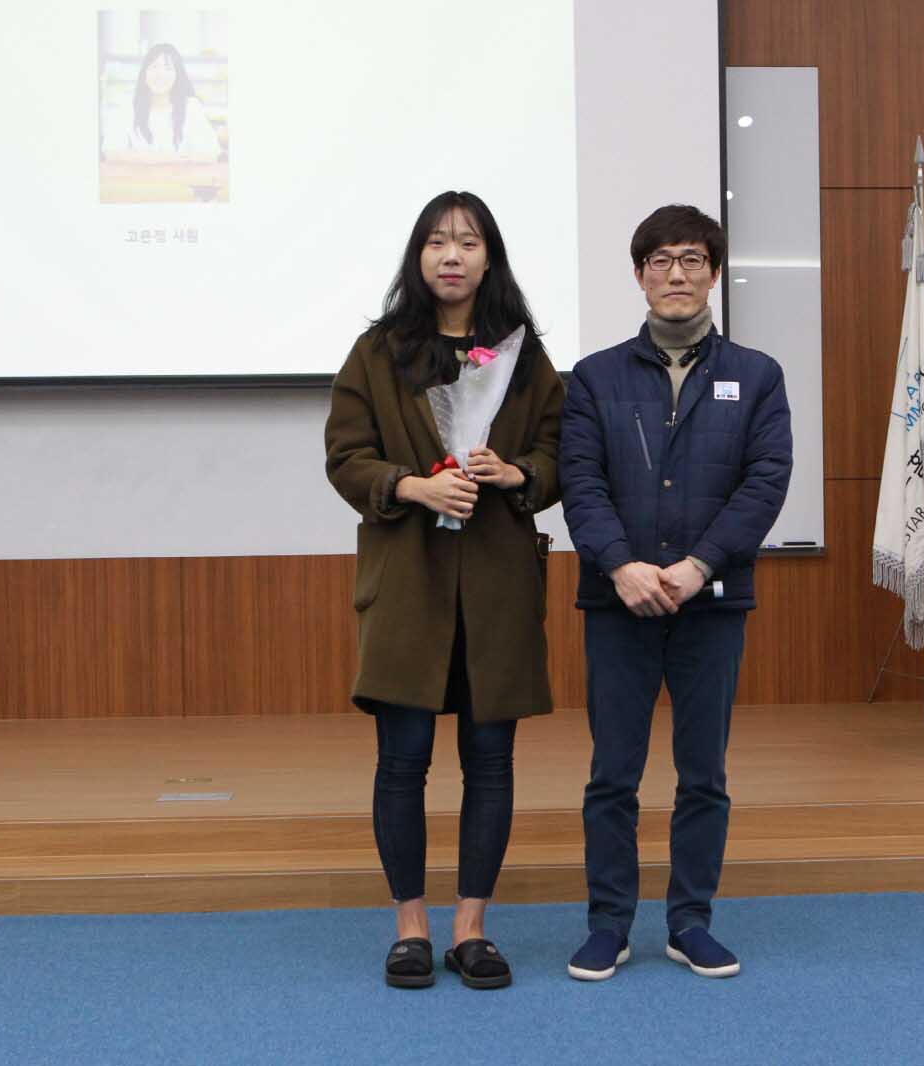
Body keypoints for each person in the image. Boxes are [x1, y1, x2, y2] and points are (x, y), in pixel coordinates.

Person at [324, 190, 563, 990]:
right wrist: (412, 486)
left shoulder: (522, 354)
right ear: (418, 256)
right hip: (408, 581)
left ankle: (471, 927)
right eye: (436, 241)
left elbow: (560, 451)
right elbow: (345, 457)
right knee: (403, 762)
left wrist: (517, 471)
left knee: (490, 762)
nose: (451, 255)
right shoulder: (378, 351)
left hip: (497, 582)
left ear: (490, 258)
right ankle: (410, 926)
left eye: (467, 241)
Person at [559, 204, 791, 982]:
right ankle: (608, 925)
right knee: (612, 776)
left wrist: (699, 566)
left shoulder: (757, 375)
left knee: (704, 776)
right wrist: (620, 565)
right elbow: (581, 482)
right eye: (660, 261)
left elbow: (765, 482)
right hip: (616, 604)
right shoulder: (595, 377)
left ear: (713, 273)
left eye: (692, 259)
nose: (676, 274)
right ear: (639, 276)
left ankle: (690, 921)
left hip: (711, 604)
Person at [102, 43, 220, 162]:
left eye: (168, 68)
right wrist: (170, 158)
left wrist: (149, 158)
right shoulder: (127, 106)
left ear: (178, 75)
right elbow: (111, 152)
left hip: (181, 175)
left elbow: (210, 153)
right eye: (154, 67)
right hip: (138, 175)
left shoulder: (191, 107)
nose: (160, 75)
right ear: (144, 73)